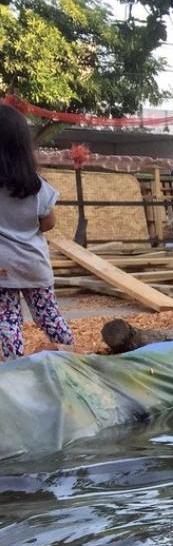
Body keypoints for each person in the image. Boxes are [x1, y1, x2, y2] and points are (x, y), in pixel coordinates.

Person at [0, 104, 75, 359]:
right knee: (49, 315)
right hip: (34, 262)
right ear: (23, 146)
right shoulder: (37, 187)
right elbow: (48, 223)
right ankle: (72, 356)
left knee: (8, 319)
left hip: (2, 265)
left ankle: (13, 368)